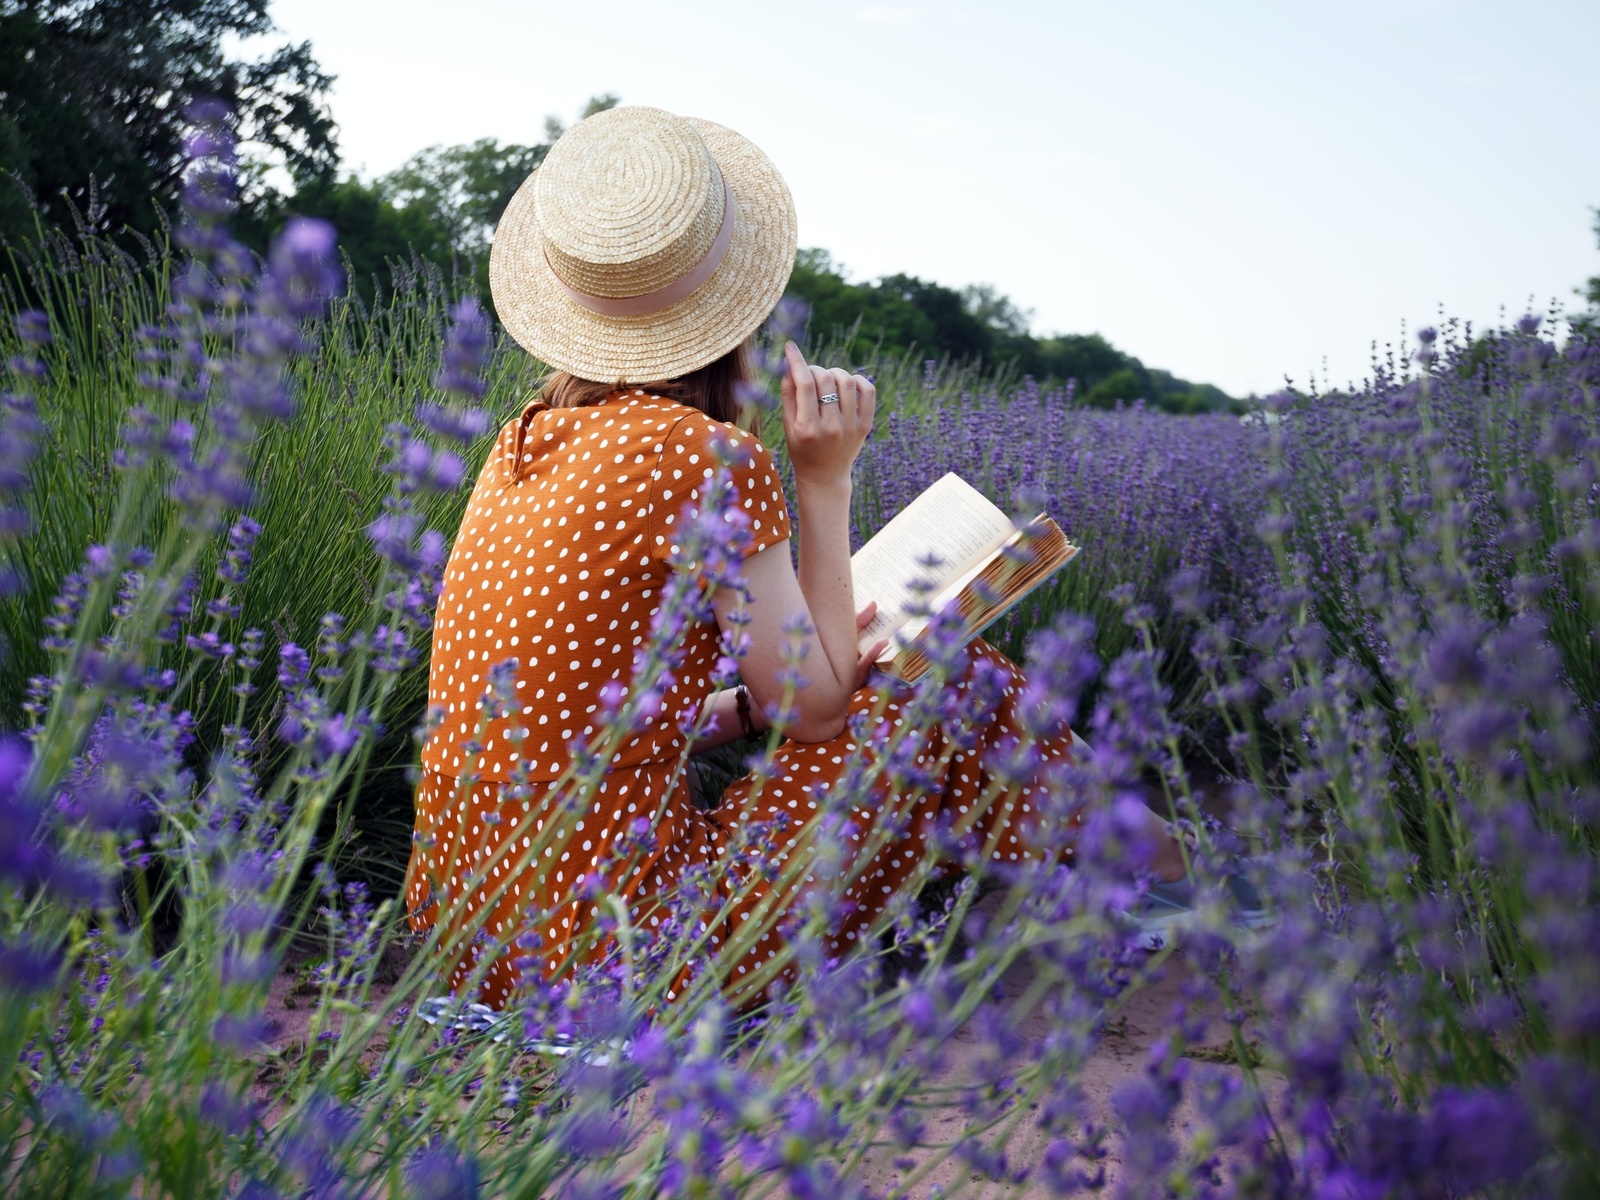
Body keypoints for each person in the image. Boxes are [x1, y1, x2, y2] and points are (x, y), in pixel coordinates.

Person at [404, 106, 1197, 1009]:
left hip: (475, 941)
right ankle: (1173, 877)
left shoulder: (521, 443)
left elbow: (576, 722)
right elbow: (816, 712)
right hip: (623, 954)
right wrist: (823, 478)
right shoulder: (704, 458)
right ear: (732, 309)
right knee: (949, 673)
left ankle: (1142, 875)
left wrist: (744, 709)